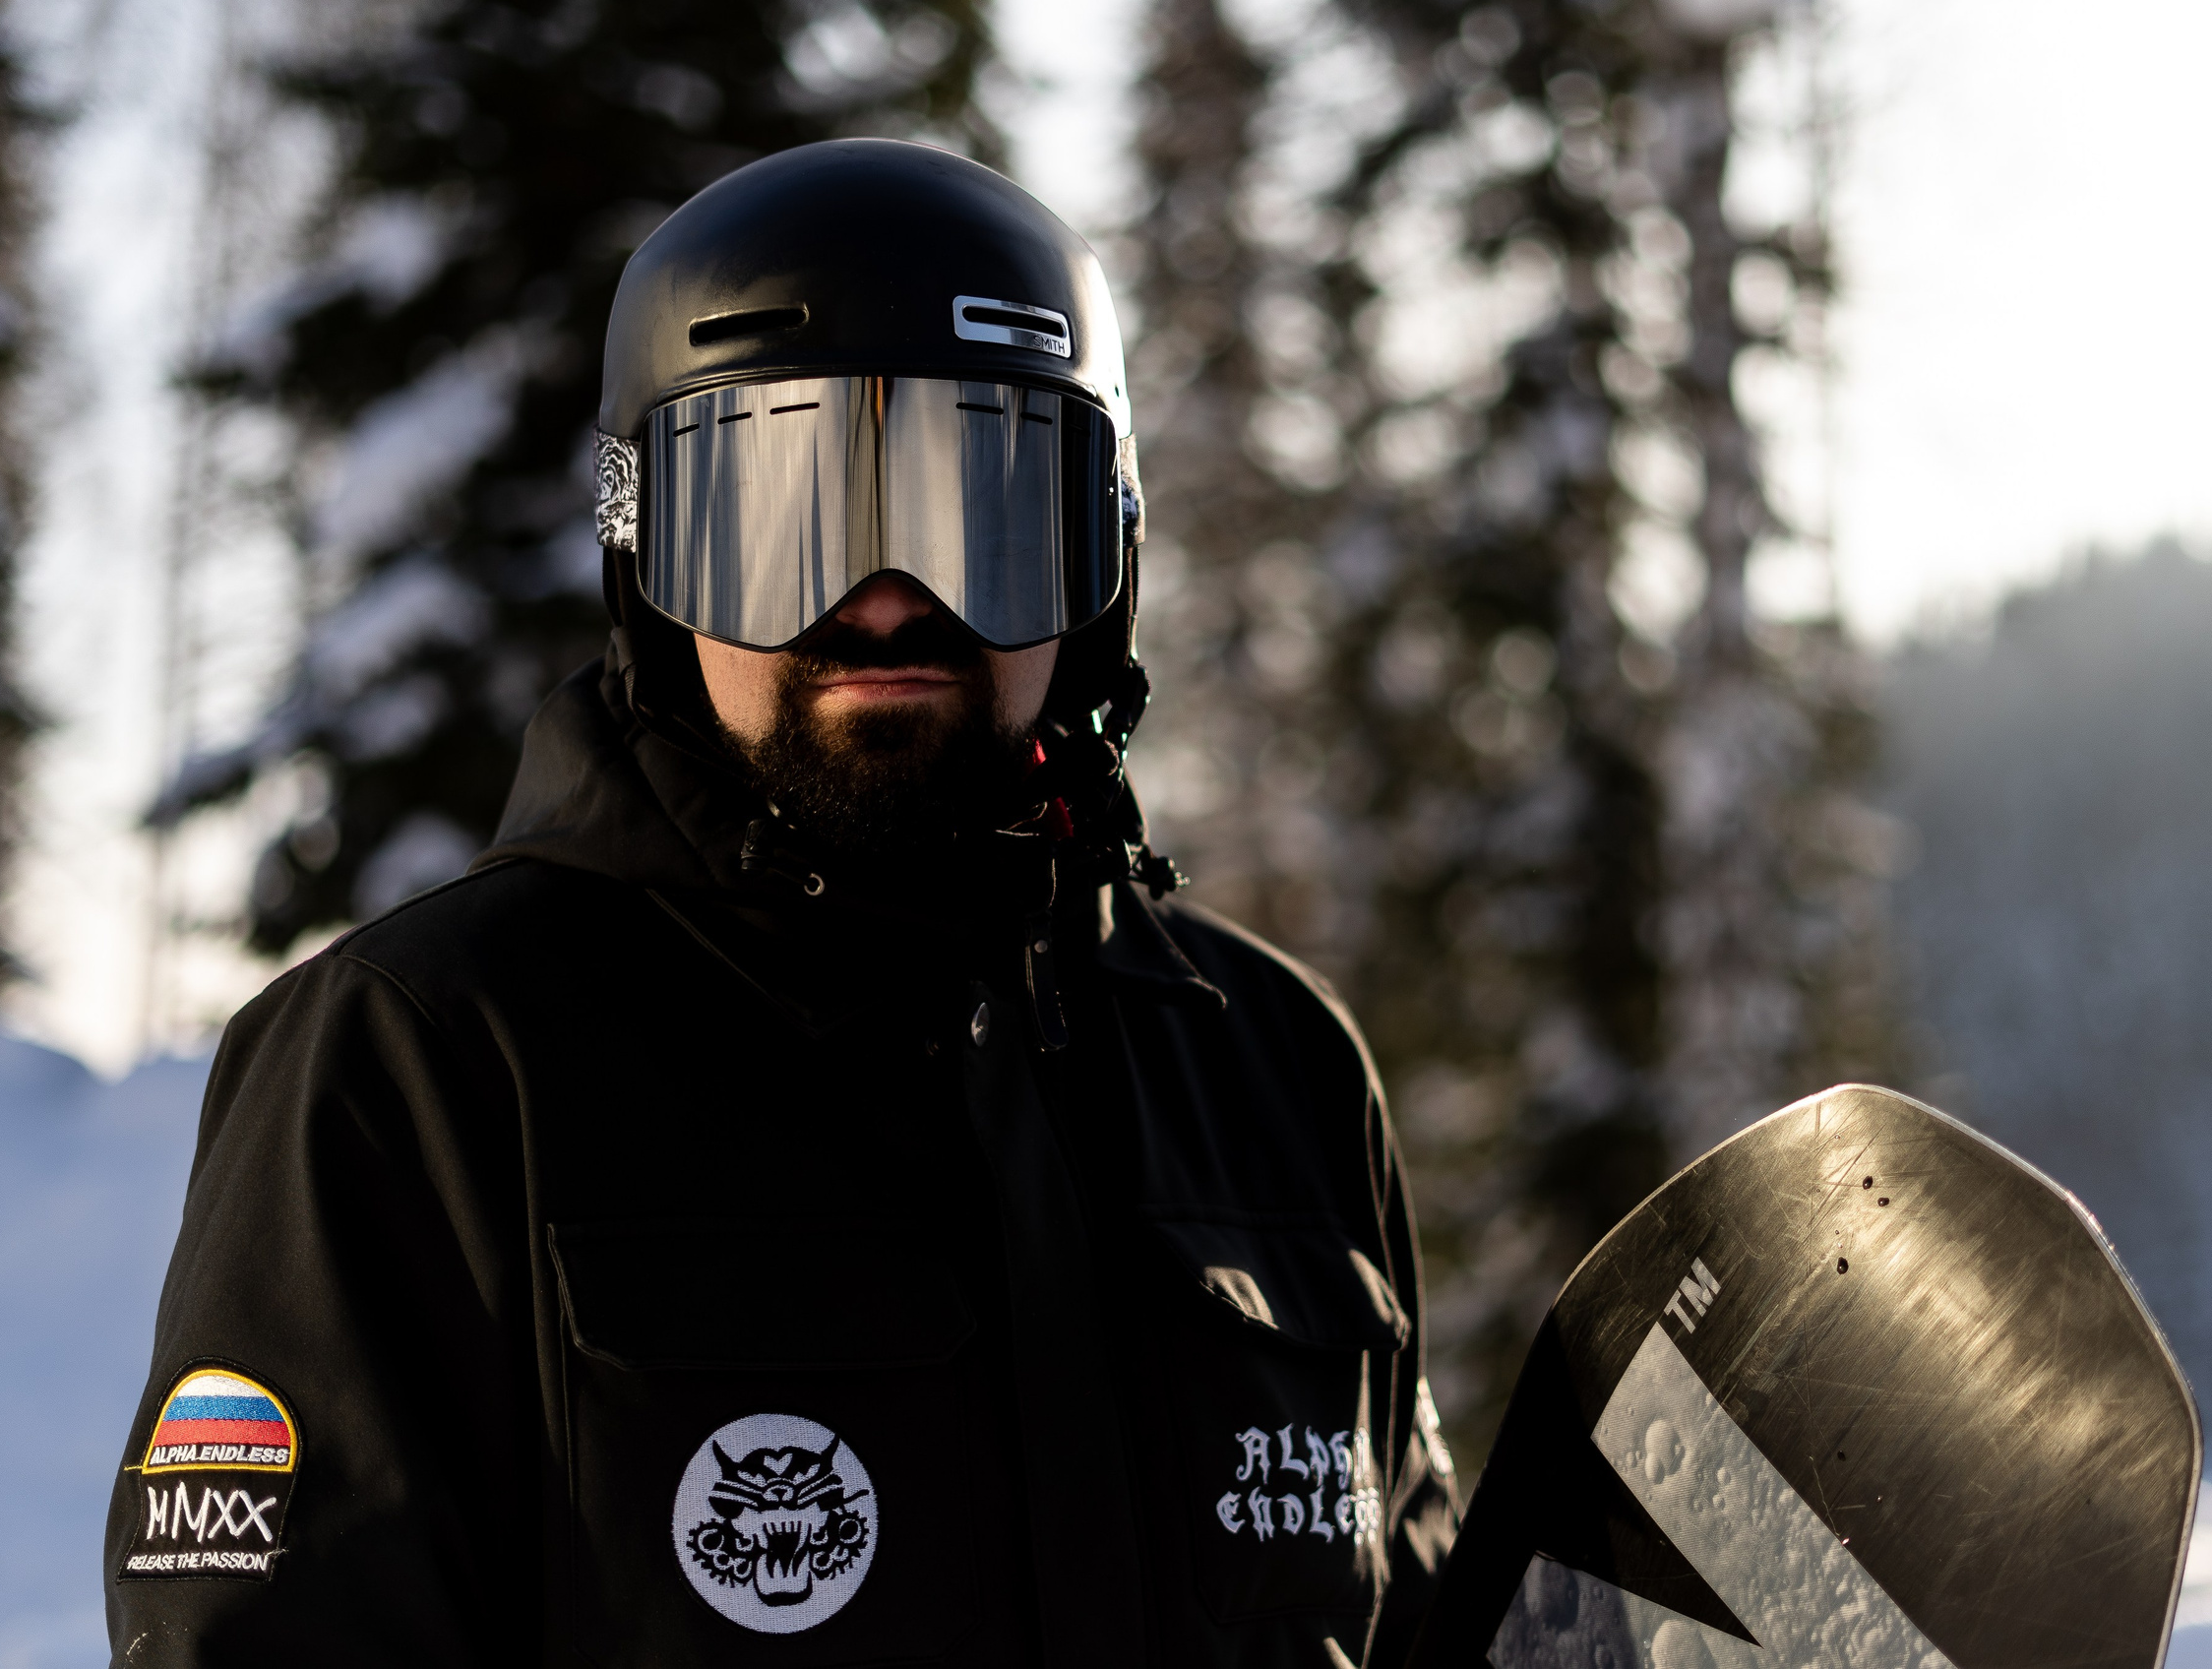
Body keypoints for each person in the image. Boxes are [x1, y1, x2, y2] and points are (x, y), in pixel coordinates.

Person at [101, 138, 1458, 1667]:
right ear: (650, 561)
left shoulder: (1271, 1062)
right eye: (781, 519)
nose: (884, 598)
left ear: (1102, 557)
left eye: (979, 507)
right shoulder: (427, 1062)